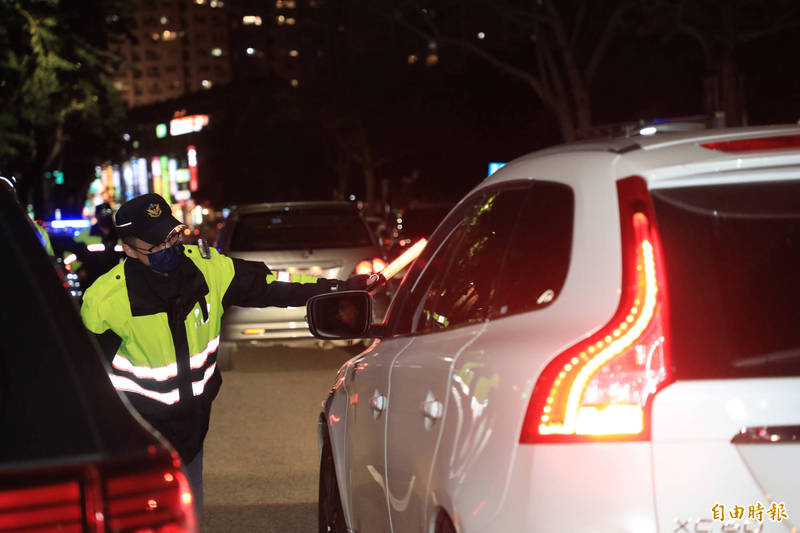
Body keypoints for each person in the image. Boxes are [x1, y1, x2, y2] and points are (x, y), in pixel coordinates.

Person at [79, 193, 379, 520]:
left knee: (188, 515)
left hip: (193, 427)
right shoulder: (105, 301)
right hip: (137, 435)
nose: (169, 248)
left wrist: (341, 288)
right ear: (128, 249)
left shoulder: (209, 268)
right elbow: (84, 379)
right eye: (156, 244)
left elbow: (272, 285)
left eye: (172, 236)